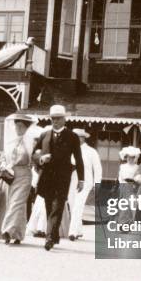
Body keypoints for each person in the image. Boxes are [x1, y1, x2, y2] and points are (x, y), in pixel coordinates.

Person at [33, 105, 84, 251]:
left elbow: (78, 159)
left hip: (63, 178)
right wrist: (41, 158)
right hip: (47, 178)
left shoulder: (72, 137)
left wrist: (81, 179)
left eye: (58, 118)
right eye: (52, 118)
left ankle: (49, 239)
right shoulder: (44, 135)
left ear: (64, 119)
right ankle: (54, 236)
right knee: (49, 206)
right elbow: (34, 154)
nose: (55, 121)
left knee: (57, 207)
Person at [0, 114, 36, 245]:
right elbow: (3, 157)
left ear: (27, 128)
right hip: (9, 175)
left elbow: (35, 158)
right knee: (14, 204)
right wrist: (3, 165)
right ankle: (18, 235)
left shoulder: (31, 142)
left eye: (21, 126)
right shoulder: (10, 142)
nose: (18, 129)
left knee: (17, 203)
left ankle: (7, 231)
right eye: (16, 126)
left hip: (24, 174)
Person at [68, 129, 102, 241]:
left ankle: (72, 232)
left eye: (79, 137)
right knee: (73, 205)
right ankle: (78, 230)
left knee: (78, 205)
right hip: (72, 180)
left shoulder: (91, 151)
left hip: (86, 181)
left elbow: (97, 168)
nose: (77, 139)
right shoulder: (70, 149)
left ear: (84, 138)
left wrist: (97, 184)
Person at [117, 146, 141, 224]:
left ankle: (129, 223)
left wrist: (135, 184)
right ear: (126, 157)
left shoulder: (137, 167)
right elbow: (120, 177)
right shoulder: (122, 166)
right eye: (128, 157)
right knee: (123, 205)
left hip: (133, 187)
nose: (130, 159)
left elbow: (138, 178)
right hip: (123, 187)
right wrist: (122, 185)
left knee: (132, 205)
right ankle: (122, 223)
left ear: (134, 158)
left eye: (132, 157)